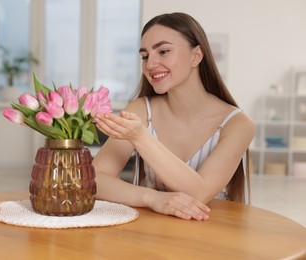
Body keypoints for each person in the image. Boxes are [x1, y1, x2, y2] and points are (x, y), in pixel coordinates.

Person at [92, 12, 255, 221]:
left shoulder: (238, 124)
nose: (150, 64)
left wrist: (141, 137)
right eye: (145, 56)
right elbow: (94, 179)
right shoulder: (140, 110)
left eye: (163, 51)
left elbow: (199, 192)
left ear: (196, 56)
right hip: (152, 231)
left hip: (213, 234)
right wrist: (152, 198)